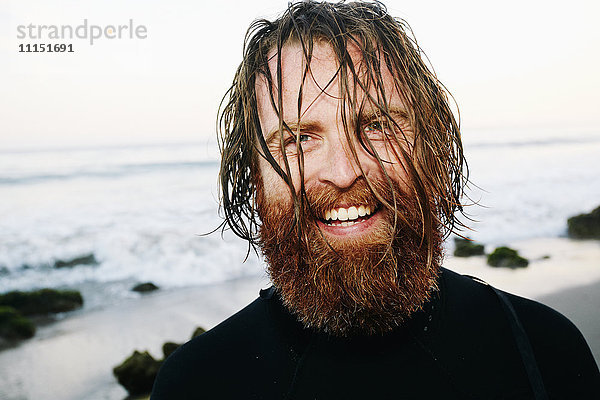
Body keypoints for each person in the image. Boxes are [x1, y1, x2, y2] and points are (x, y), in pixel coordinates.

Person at [151, 1, 600, 398]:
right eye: (298, 139)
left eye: (378, 125)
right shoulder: (196, 384)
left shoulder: (544, 350)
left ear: (433, 149)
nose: (345, 172)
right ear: (254, 177)